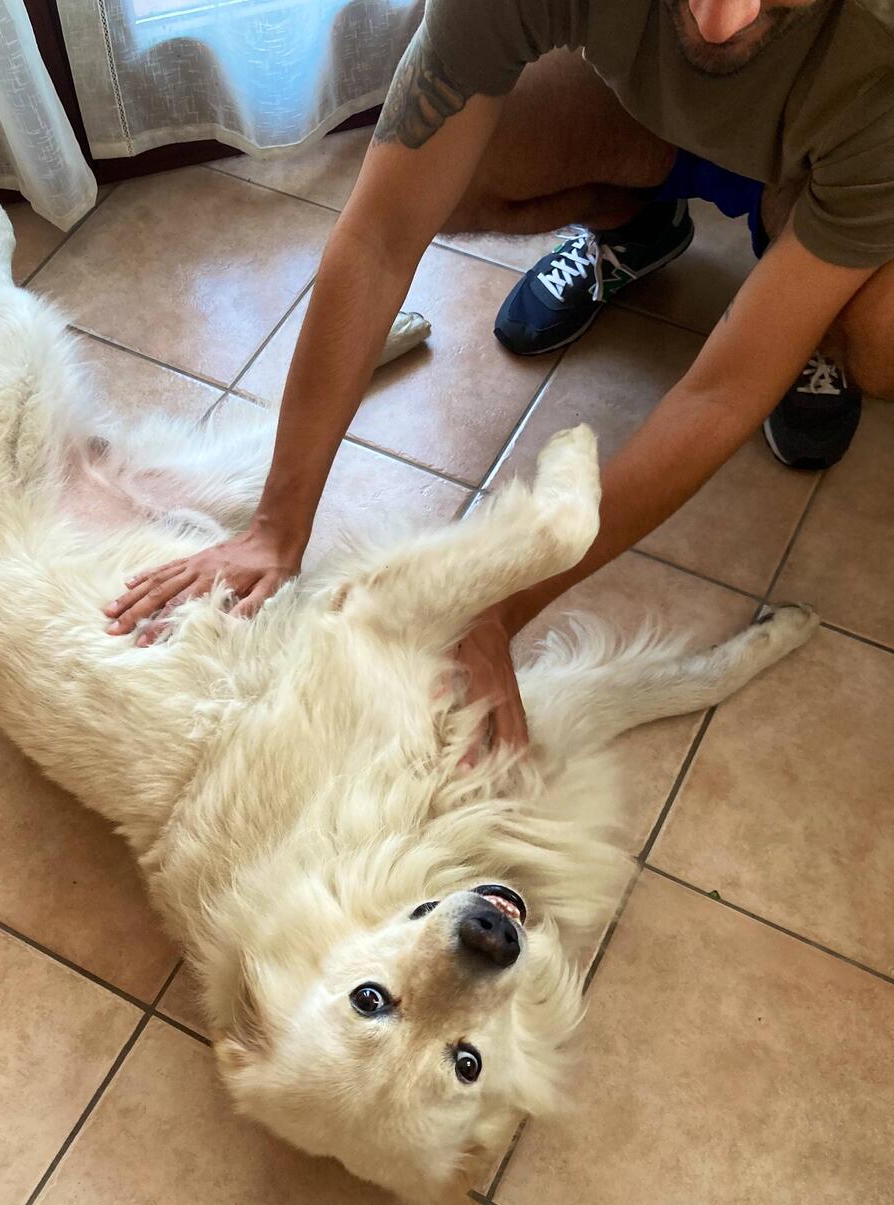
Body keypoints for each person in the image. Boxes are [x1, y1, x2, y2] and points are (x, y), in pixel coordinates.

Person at [104, 0, 894, 753]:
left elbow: (718, 395)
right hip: (655, 116)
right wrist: (275, 528)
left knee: (884, 340)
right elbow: (381, 235)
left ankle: (809, 315)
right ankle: (638, 227)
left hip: (844, 146)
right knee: (452, 161)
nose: (719, 23)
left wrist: (500, 607)